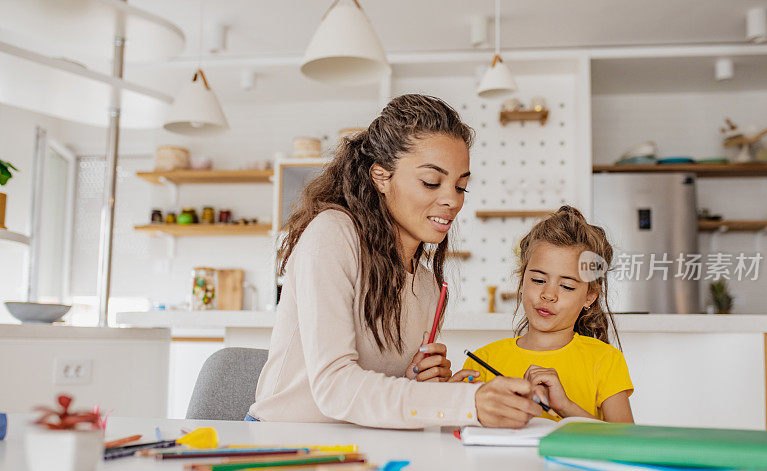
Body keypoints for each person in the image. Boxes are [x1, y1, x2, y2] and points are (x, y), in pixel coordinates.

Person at [248, 94, 540, 429]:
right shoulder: (333, 235)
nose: (451, 200)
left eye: (461, 187)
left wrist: (424, 384)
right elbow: (336, 388)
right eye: (431, 182)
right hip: (283, 444)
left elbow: (376, 396)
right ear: (381, 177)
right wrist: (465, 403)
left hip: (363, 445)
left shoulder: (428, 286)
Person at [462, 206, 635, 422]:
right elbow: (458, 434)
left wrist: (565, 406)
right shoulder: (482, 360)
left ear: (589, 296)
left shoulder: (606, 360)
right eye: (538, 280)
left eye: (567, 286)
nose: (548, 295)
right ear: (522, 279)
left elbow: (625, 441)